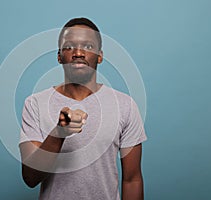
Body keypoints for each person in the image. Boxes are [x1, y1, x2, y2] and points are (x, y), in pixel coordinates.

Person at [19, 17, 147, 200]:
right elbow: (30, 177)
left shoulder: (125, 105)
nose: (78, 53)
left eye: (88, 47)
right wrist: (59, 133)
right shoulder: (35, 104)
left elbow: (132, 180)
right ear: (59, 56)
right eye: (70, 46)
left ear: (100, 56)